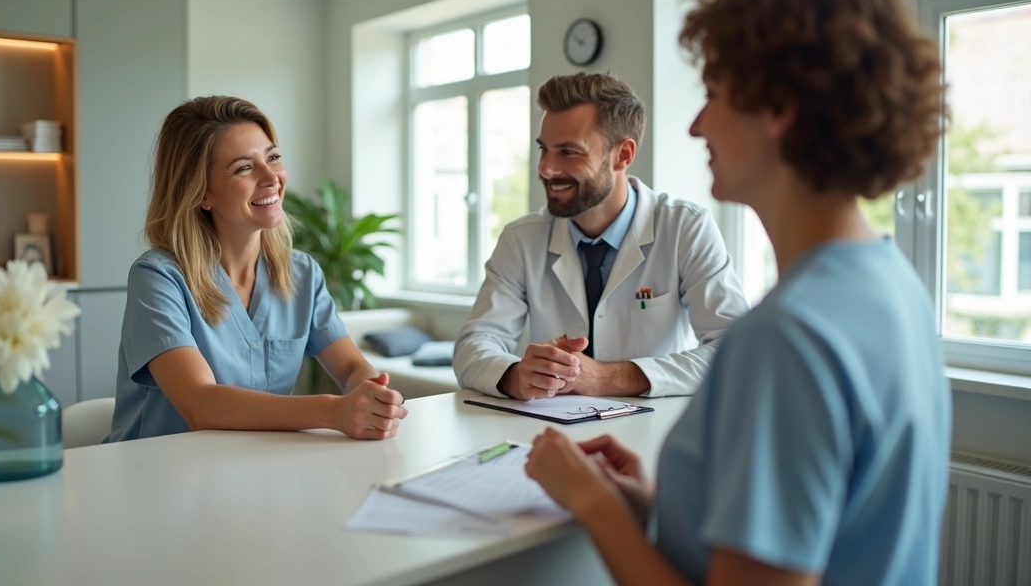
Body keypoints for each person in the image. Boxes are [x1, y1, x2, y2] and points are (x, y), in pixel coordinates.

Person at [525, 0, 951, 585]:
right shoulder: (891, 285)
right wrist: (650, 506)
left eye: (716, 95)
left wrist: (589, 502)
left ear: (779, 108)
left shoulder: (788, 337)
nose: (699, 124)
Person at [105, 96, 407, 442]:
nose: (272, 178)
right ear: (201, 192)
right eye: (244, 168)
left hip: (257, 471)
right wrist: (332, 411)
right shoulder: (159, 278)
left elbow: (352, 367)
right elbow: (199, 403)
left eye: (273, 157)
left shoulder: (302, 274)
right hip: (158, 476)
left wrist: (372, 392)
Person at [453, 73, 749, 400]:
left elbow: (734, 351)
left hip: (652, 435)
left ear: (623, 155)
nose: (546, 169)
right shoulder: (521, 239)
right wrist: (515, 376)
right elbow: (473, 345)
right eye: (544, 150)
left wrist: (607, 378)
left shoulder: (685, 228)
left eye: (568, 152)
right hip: (550, 432)